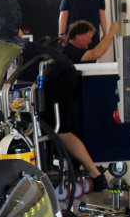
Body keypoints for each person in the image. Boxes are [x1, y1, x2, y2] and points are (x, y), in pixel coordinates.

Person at [20, 41, 108, 191]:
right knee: (54, 129)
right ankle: (93, 174)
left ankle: (93, 174)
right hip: (61, 76)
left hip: (59, 78)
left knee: (49, 128)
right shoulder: (17, 46)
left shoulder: (11, 49)